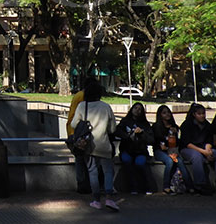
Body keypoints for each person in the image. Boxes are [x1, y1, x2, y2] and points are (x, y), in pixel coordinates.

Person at [69, 79, 119, 212]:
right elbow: (112, 129)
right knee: (108, 171)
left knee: (92, 172)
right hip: (104, 145)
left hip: (88, 145)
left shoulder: (82, 106)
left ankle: (96, 200)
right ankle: (109, 198)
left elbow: (73, 124)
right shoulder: (106, 107)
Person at [179, 103, 216, 194]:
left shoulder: (207, 125)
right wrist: (204, 152)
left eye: (203, 113)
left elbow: (209, 140)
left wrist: (208, 150)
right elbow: (187, 143)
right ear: (194, 114)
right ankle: (200, 185)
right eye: (199, 114)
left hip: (203, 148)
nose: (202, 116)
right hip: (188, 149)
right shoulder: (187, 125)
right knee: (197, 156)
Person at [152, 104, 194, 195]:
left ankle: (190, 186)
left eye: (168, 112)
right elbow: (155, 141)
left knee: (180, 161)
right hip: (160, 151)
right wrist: (163, 146)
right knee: (169, 161)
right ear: (160, 115)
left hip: (172, 150)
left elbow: (178, 142)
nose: (167, 114)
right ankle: (166, 186)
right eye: (164, 113)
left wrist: (176, 134)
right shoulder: (156, 127)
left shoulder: (174, 127)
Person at [115, 101, 153, 195]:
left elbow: (151, 139)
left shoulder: (145, 124)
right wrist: (128, 135)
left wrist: (142, 133)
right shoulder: (125, 121)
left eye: (140, 109)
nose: (137, 110)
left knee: (140, 163)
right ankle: (132, 187)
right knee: (127, 161)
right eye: (135, 108)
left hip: (140, 151)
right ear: (131, 109)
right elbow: (117, 131)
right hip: (126, 150)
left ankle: (145, 187)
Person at [66, 79, 93, 194]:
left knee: (80, 160)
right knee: (83, 160)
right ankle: (86, 184)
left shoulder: (79, 95)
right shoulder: (83, 97)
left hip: (76, 132)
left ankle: (83, 185)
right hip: (81, 133)